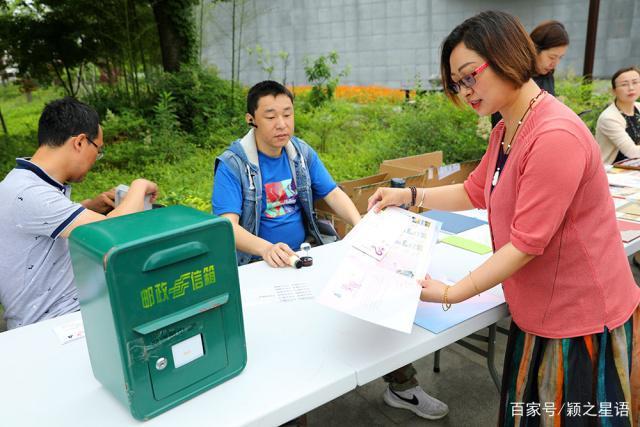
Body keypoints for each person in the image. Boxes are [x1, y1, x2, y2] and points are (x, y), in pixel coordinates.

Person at [369, 11, 639, 425]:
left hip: (579, 320)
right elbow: (476, 190)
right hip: (538, 309)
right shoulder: (507, 128)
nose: (465, 91)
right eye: (457, 84)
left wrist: (450, 293)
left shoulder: (554, 136)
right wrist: (409, 195)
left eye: (469, 75)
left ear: (506, 55)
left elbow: (527, 243)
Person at [212, 80, 448, 420]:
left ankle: (403, 386)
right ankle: (291, 413)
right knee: (283, 349)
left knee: (371, 300)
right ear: (251, 119)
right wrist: (265, 249)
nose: (282, 124)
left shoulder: (301, 153)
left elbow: (333, 192)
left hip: (308, 256)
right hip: (257, 267)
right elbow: (226, 228)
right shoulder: (233, 164)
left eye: (288, 114)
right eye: (270, 116)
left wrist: (361, 223)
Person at [0, 97, 158, 330]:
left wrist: (91, 206)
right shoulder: (30, 194)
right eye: (99, 149)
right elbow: (112, 233)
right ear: (80, 142)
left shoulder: (23, 181)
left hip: (57, 310)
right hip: (53, 323)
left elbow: (46, 222)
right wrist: (140, 186)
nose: (97, 158)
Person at [491, 20, 569, 128]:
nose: (555, 64)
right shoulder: (514, 75)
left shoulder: (547, 74)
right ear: (535, 49)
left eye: (560, 58)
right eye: (552, 57)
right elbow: (500, 121)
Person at [596, 66, 640, 164]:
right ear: (614, 91)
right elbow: (631, 152)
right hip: (613, 171)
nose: (631, 88)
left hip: (635, 166)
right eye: (624, 84)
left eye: (635, 82)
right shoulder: (609, 118)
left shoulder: (638, 107)